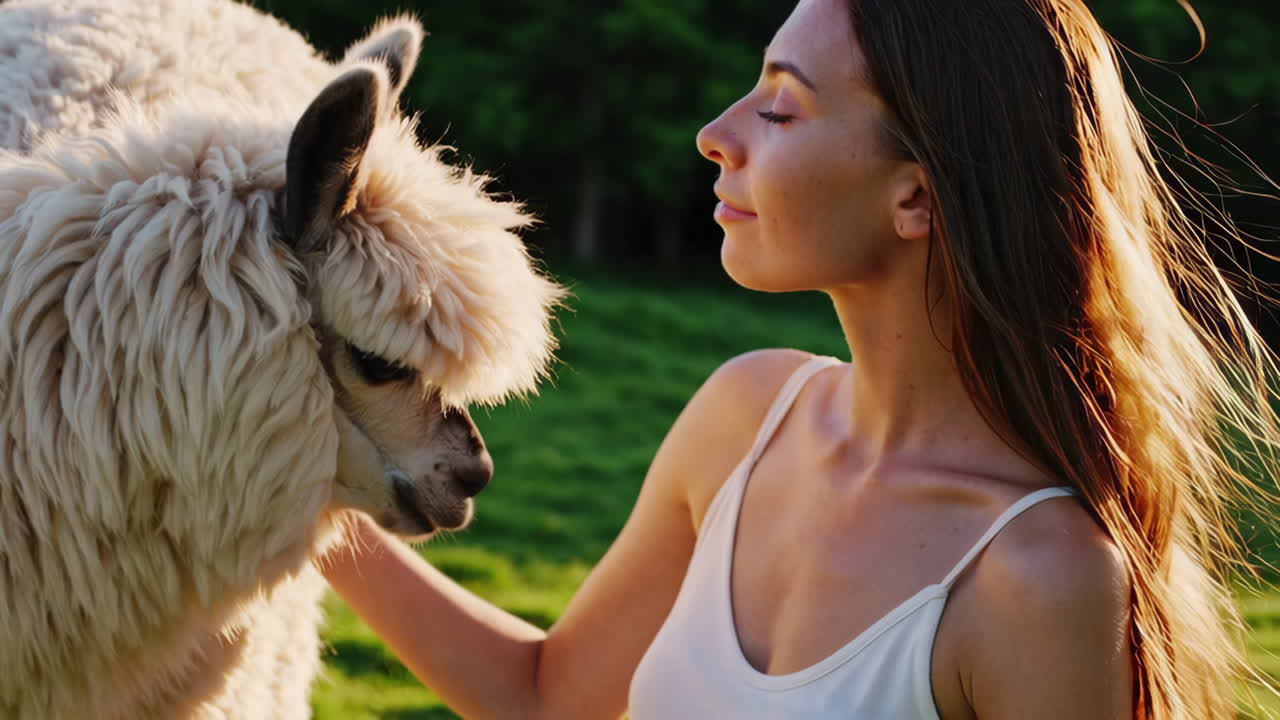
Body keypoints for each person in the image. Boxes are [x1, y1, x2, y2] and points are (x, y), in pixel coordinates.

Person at [320, 0, 1280, 717]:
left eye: (779, 110)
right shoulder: (748, 414)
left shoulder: (1041, 576)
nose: (716, 134)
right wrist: (302, 470)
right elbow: (546, 698)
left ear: (917, 197)